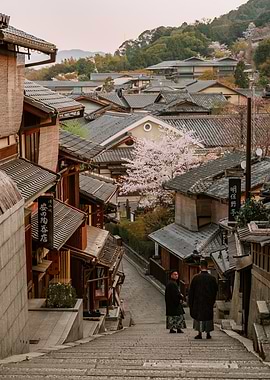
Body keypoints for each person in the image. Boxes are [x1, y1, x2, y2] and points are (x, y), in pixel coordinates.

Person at [189, 259, 218, 339]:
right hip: (208, 301)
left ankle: (199, 333)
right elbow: (215, 290)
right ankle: (208, 333)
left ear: (200, 267)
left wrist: (191, 303)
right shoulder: (212, 278)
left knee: (199, 317)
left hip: (198, 301)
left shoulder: (196, 278)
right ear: (207, 267)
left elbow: (191, 291)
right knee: (208, 317)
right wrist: (212, 300)